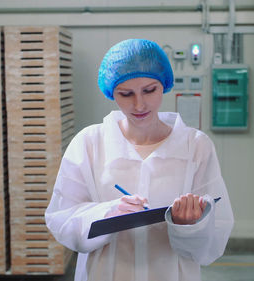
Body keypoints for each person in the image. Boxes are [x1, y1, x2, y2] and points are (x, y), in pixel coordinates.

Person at [45, 38, 234, 281]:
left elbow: (214, 237)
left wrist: (191, 225)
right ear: (111, 91)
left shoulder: (195, 146)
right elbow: (62, 218)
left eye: (149, 90)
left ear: (163, 85)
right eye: (126, 94)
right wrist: (108, 214)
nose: (139, 104)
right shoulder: (89, 143)